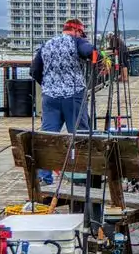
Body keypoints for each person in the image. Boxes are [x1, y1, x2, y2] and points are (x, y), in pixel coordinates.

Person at [30, 18, 95, 185]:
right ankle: (80, 177)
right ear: (78, 31)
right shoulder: (77, 41)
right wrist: (97, 54)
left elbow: (35, 70)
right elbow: (88, 50)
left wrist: (49, 85)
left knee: (48, 137)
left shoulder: (47, 44)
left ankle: (44, 178)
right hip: (73, 96)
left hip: (50, 97)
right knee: (79, 135)